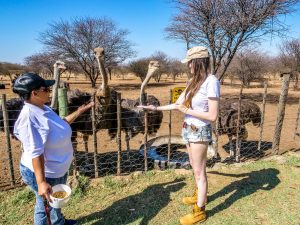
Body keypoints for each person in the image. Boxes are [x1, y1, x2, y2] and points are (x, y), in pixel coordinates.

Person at [138, 46, 220, 224]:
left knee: (199, 172)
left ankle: (200, 211)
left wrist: (187, 109)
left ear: (198, 62)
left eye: (190, 62)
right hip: (188, 129)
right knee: (195, 167)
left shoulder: (211, 81)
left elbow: (212, 116)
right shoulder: (193, 81)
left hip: (199, 131)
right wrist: (155, 108)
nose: (188, 65)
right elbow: (177, 104)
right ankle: (200, 195)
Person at [13, 72, 94, 225]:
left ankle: (59, 222)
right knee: (44, 207)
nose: (50, 91)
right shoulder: (30, 118)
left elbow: (60, 124)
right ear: (34, 93)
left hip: (56, 169)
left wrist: (79, 111)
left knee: (55, 201)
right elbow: (36, 153)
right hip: (46, 173)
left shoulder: (43, 108)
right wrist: (42, 182)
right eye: (46, 89)